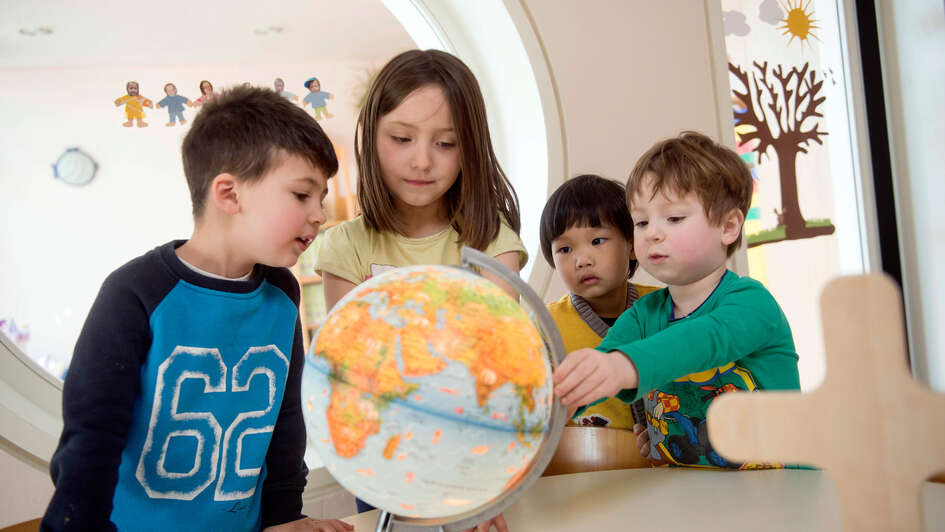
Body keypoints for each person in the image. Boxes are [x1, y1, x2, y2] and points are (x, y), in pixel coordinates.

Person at [41, 86, 353, 532]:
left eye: (321, 198)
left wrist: (285, 518)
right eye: (302, 195)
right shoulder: (134, 293)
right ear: (229, 194)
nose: (320, 214)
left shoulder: (283, 293)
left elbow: (285, 423)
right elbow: (91, 438)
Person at [313, 49, 526, 531]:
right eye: (402, 138)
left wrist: (484, 487)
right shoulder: (345, 246)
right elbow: (351, 378)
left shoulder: (492, 244)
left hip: (475, 462)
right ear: (372, 137)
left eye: (446, 143)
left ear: (470, 146)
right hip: (383, 459)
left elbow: (498, 378)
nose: (422, 160)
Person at [553, 131, 800, 469]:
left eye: (673, 218)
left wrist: (620, 366)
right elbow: (597, 370)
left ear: (728, 226)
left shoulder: (752, 304)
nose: (652, 232)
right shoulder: (643, 316)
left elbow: (700, 341)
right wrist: (555, 402)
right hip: (691, 500)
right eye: (641, 222)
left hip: (783, 496)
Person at [539, 174, 660, 429]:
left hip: (667, 463)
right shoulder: (545, 326)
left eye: (597, 241)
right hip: (583, 463)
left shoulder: (664, 307)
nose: (582, 260)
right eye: (565, 249)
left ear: (631, 245)